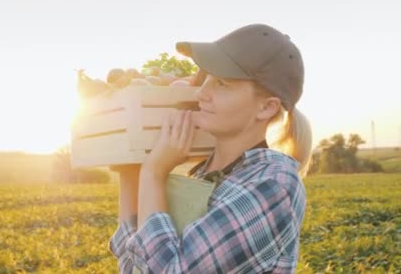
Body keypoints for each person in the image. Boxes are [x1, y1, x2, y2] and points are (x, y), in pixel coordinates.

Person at [108, 23, 312, 273]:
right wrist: (131, 167)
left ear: (267, 107)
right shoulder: (203, 176)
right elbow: (134, 265)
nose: (202, 94)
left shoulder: (273, 185)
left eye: (223, 84)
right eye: (207, 79)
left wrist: (153, 173)